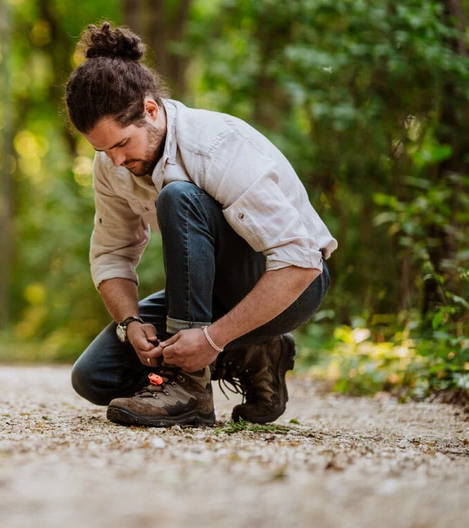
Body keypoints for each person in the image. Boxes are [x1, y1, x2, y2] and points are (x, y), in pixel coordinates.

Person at [65, 21, 337, 428]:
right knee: (96, 376)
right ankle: (258, 354)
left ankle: (189, 388)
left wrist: (211, 339)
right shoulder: (111, 165)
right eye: (103, 150)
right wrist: (130, 323)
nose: (115, 160)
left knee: (177, 197)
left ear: (151, 110)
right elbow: (112, 255)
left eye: (121, 144)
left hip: (289, 286)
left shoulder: (214, 144)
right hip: (209, 296)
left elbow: (301, 262)